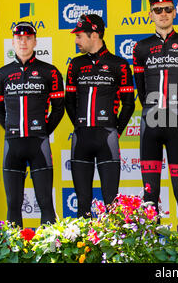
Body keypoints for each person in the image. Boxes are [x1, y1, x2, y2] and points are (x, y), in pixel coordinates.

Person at [132, 0, 178, 233]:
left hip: (177, 123)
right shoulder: (141, 47)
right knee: (150, 193)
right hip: (150, 122)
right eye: (158, 10)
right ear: (150, 14)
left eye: (168, 9)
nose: (163, 14)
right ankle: (151, 247)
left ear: (175, 12)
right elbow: (139, 88)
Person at [0, 22, 64, 227]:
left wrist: (43, 131)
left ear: (35, 41)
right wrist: (12, 130)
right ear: (13, 42)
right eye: (19, 39)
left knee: (45, 203)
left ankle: (49, 253)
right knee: (13, 205)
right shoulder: (2, 73)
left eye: (27, 38)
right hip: (12, 145)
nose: (23, 42)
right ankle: (15, 255)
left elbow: (58, 108)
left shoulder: (49, 72)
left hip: (38, 145)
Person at [65, 14, 135, 218]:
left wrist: (115, 131)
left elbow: (128, 104)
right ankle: (83, 248)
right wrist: (80, 126)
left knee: (111, 203)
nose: (76, 41)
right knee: (83, 203)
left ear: (94, 34)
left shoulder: (119, 64)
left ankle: (112, 248)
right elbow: (69, 101)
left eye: (79, 36)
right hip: (81, 139)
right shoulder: (75, 65)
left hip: (107, 138)